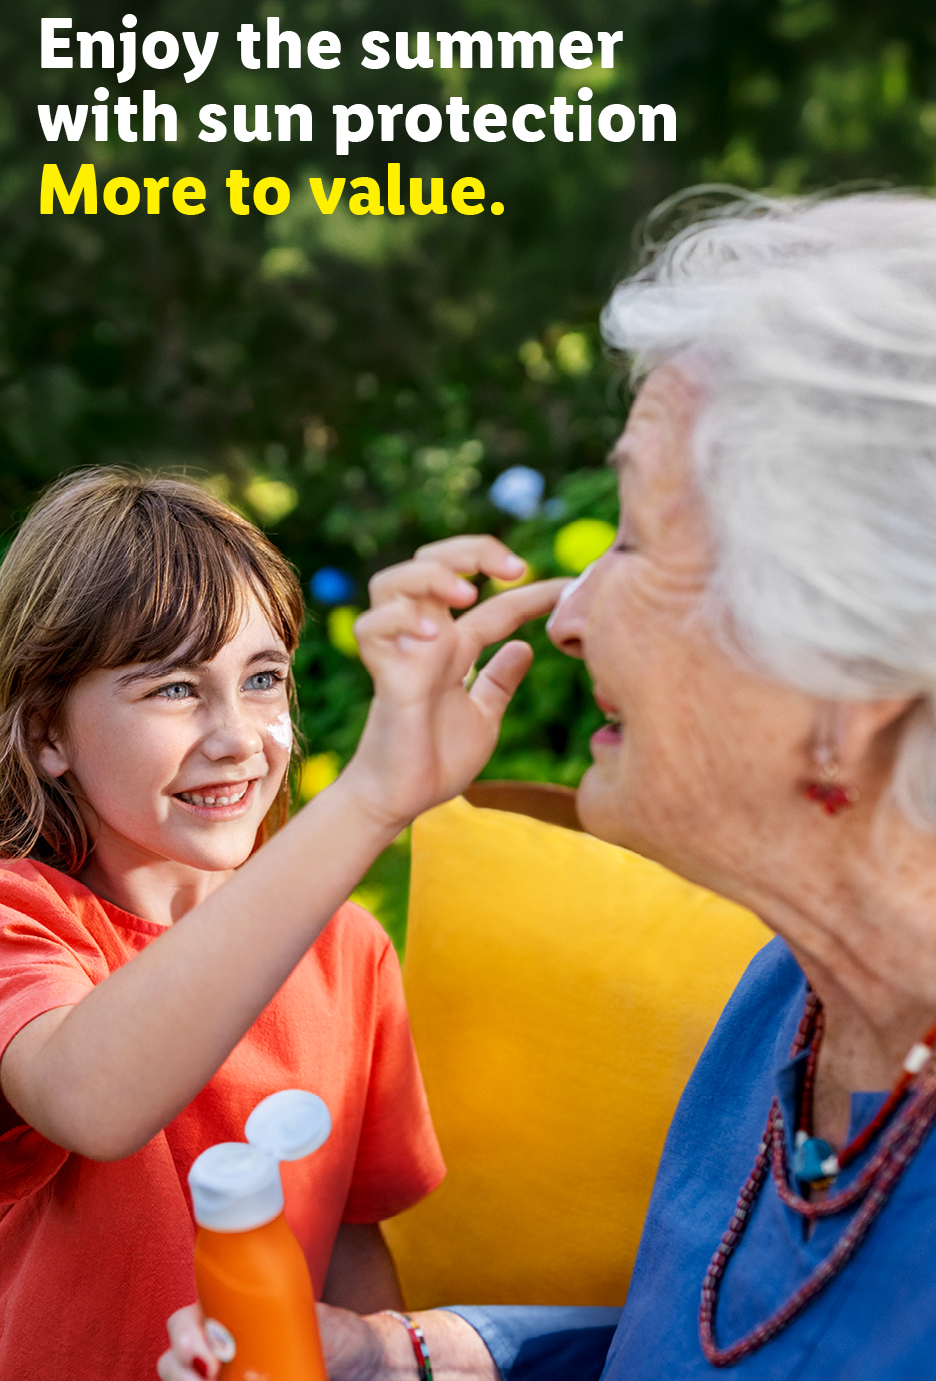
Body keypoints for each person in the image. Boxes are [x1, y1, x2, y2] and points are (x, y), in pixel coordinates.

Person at [160, 187, 936, 1380]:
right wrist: (414, 1357)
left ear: (848, 685)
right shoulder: (791, 994)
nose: (569, 617)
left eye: (632, 537)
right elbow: (699, 1347)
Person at [0, 469, 563, 1380]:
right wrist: (371, 798)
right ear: (45, 734)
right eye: (175, 689)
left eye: (263, 678)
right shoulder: (20, 921)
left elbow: (347, 1241)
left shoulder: (349, 954)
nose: (238, 735)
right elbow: (90, 1100)